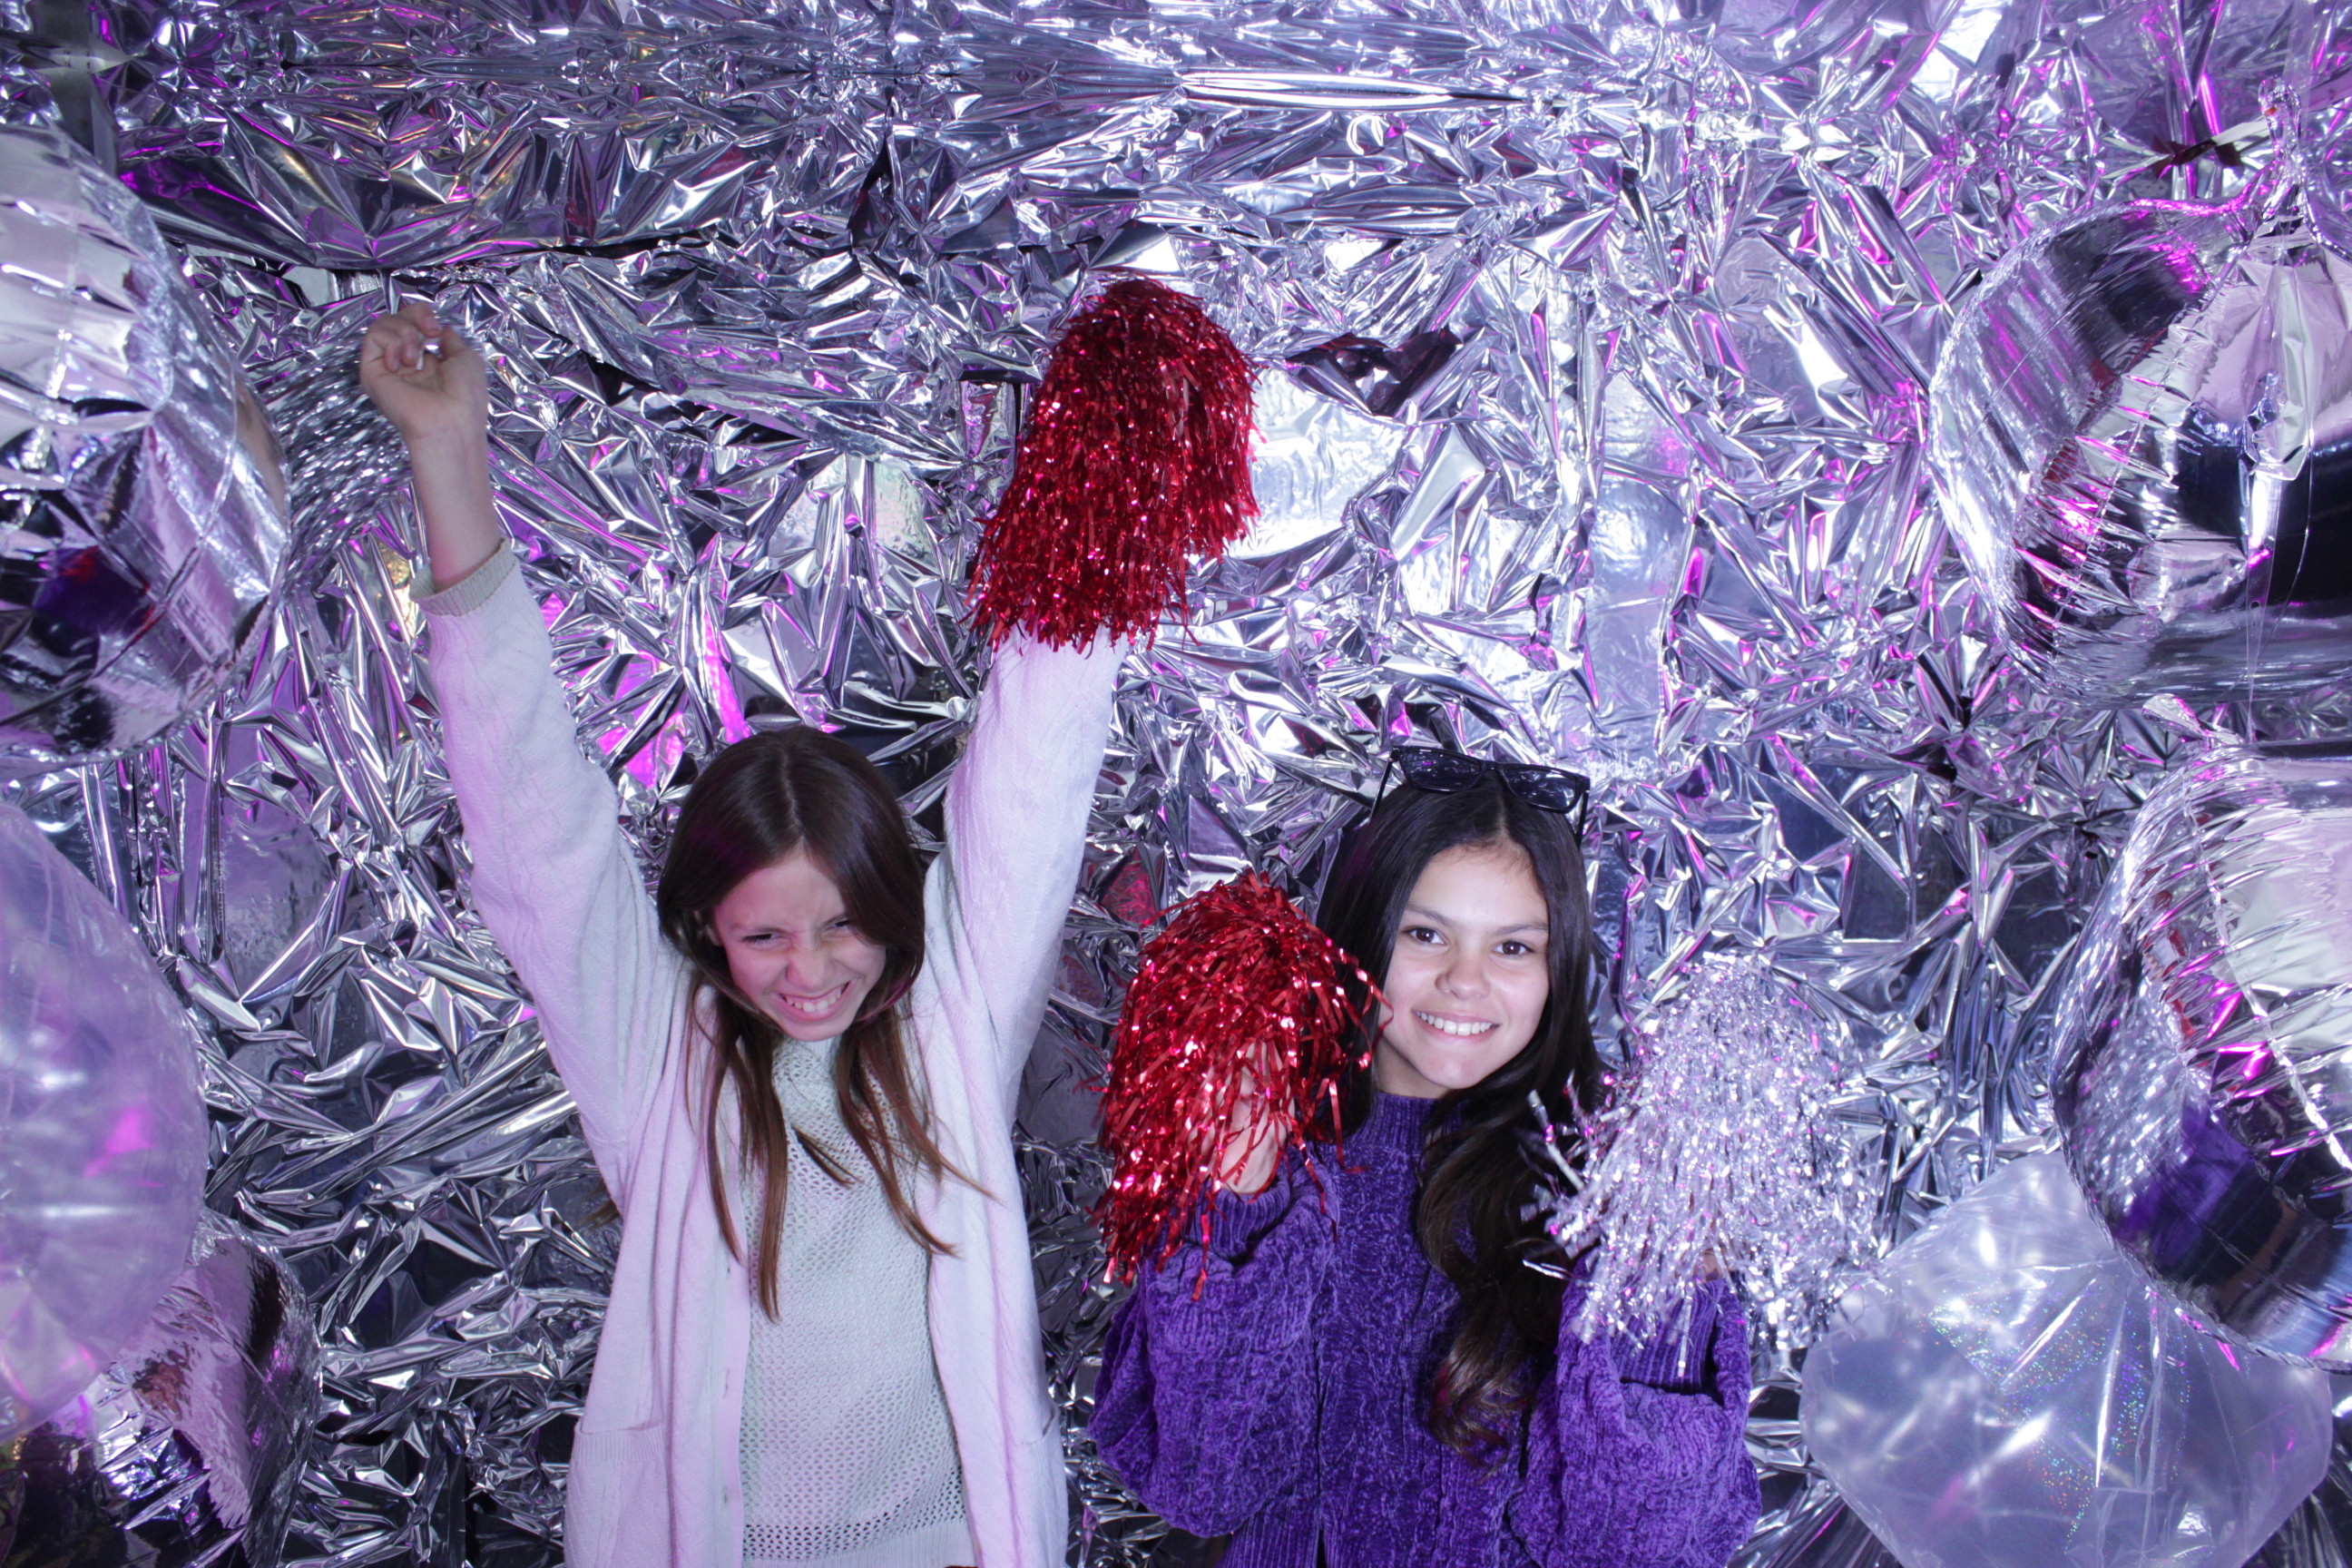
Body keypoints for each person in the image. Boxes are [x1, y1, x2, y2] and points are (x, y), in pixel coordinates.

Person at [359, 301, 1120, 1568]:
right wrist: (448, 456)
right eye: (766, 936)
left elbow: (1035, 786)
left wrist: (1103, 497)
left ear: (893, 910)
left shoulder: (952, 1023)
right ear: (707, 930)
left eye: (843, 925)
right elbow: (538, 835)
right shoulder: (662, 1060)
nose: (811, 973)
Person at [1090, 751, 1761, 1567]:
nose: (1465, 981)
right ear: (1367, 931)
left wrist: (1657, 1297)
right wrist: (1237, 1204)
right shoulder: (1278, 1169)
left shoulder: (1604, 1192)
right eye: (1426, 934)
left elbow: (1638, 1549)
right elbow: (1204, 1487)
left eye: (1513, 948)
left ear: (1558, 966)